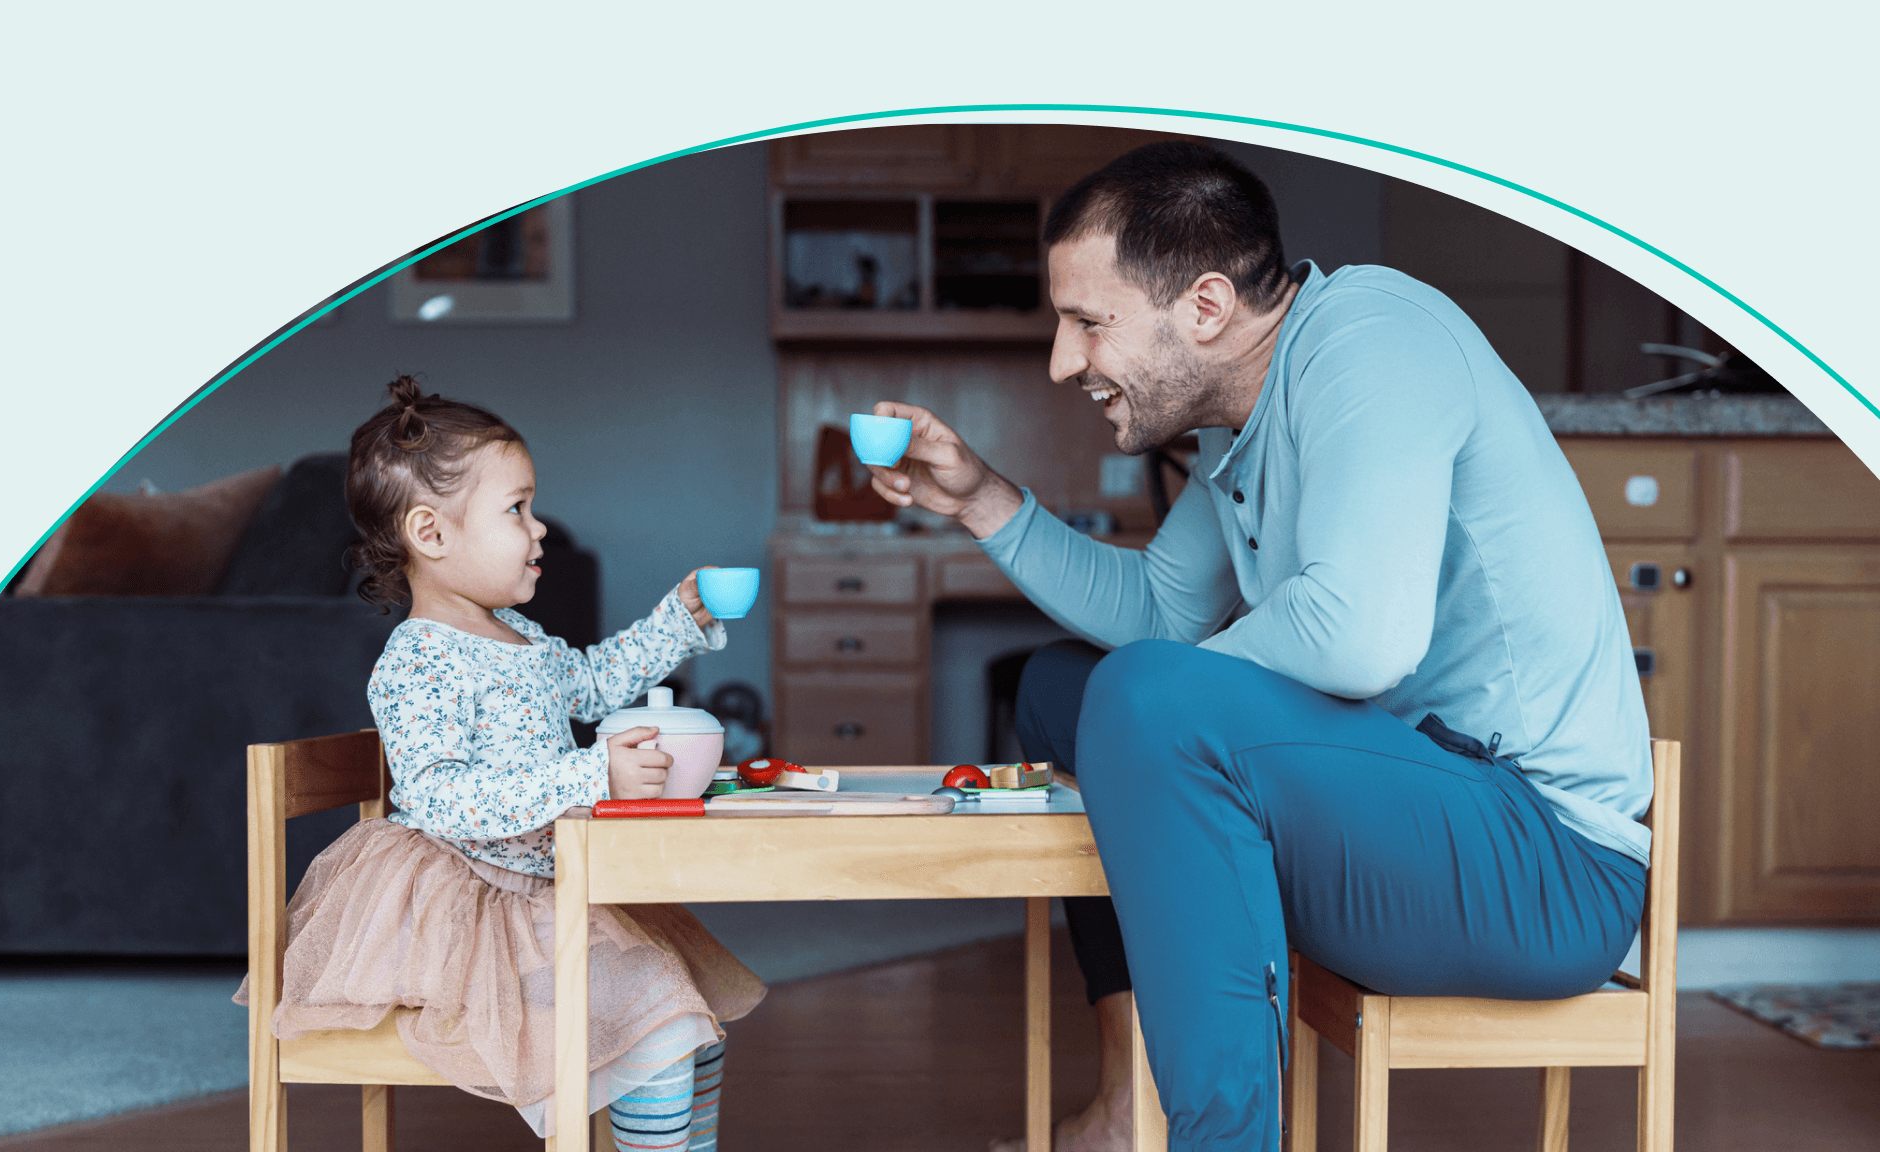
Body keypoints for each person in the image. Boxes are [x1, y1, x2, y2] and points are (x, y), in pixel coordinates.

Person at [866, 143, 1653, 1152]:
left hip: (1544, 864)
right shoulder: (1241, 422)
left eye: (1088, 323)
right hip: (1408, 808)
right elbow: (1157, 615)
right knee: (1067, 689)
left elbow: (1362, 638)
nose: (1064, 362)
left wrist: (1156, 707)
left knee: (1144, 702)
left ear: (1203, 306)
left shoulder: (1373, 340)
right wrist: (982, 500)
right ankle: (1126, 1107)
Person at [235, 377, 763, 1149]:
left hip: (549, 886)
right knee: (661, 1017)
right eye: (515, 509)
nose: (539, 528)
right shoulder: (417, 660)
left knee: (694, 1025)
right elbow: (446, 799)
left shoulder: (518, 631)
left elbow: (592, 681)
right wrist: (592, 776)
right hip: (467, 909)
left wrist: (676, 622)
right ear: (432, 533)